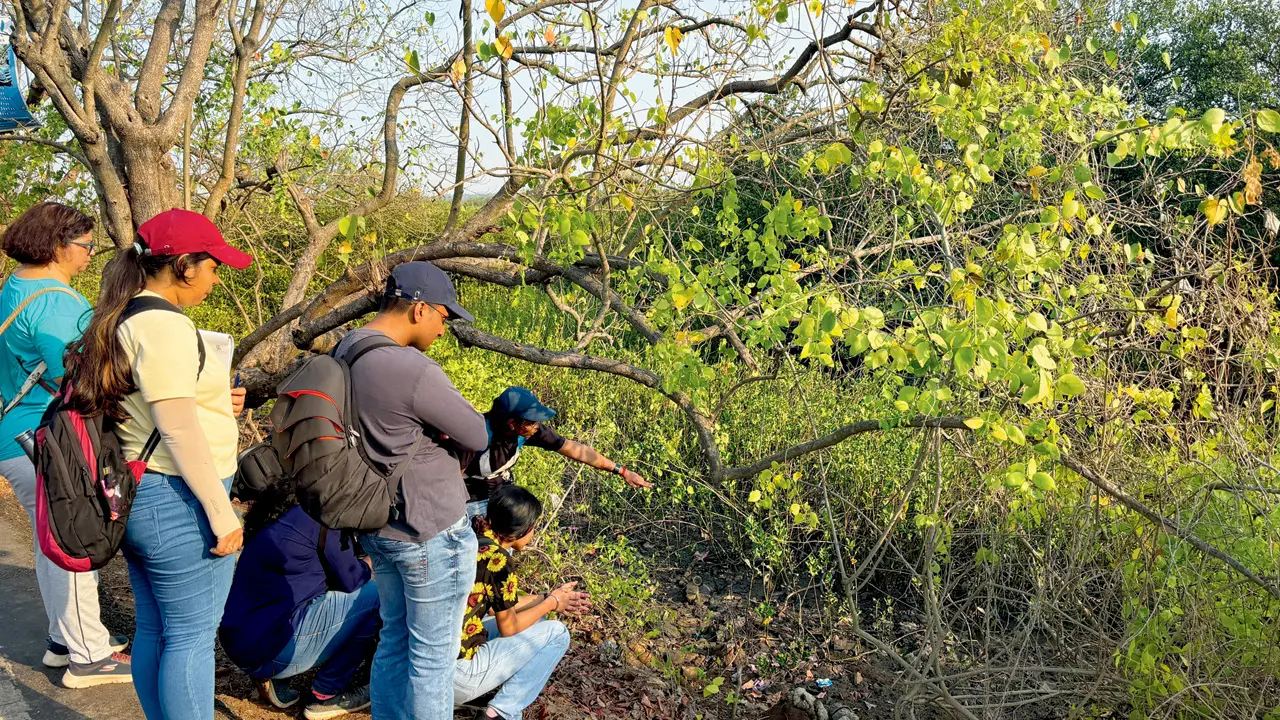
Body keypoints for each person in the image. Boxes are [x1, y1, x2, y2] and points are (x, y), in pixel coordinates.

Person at [62, 208, 252, 720]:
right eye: (213, 267)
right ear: (185, 266)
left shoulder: (122, 316)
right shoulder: (164, 325)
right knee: (190, 638)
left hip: (139, 494)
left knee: (156, 629)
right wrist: (221, 512)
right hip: (177, 499)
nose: (215, 279)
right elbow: (177, 428)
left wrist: (219, 401)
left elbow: (155, 405)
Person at [332, 261, 489, 720]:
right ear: (419, 309)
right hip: (429, 532)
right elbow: (477, 434)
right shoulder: (409, 366)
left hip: (378, 525)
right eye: (444, 315)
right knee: (432, 663)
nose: (445, 326)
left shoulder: (350, 348)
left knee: (395, 642)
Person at [0, 202, 131, 687]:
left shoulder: (15, 286)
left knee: (49, 540)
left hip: (17, 433)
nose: (89, 254)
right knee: (72, 538)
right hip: (49, 439)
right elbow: (76, 378)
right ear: (58, 246)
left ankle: (64, 640)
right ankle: (89, 656)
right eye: (85, 245)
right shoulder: (56, 302)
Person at [220, 477, 379, 720]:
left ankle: (274, 678)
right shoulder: (325, 520)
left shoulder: (284, 513)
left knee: (305, 592)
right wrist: (372, 563)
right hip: (271, 649)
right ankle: (326, 694)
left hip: (242, 642)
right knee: (376, 595)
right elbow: (351, 579)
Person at [454, 484, 590, 720]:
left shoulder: (475, 540)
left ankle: (491, 700)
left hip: (429, 660)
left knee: (540, 618)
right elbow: (509, 628)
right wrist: (552, 603)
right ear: (520, 530)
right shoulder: (498, 560)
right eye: (533, 528)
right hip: (455, 676)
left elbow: (506, 606)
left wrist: (546, 599)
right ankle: (500, 713)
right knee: (557, 632)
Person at [461, 386, 652, 519]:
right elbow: (451, 478)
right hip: (469, 500)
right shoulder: (477, 436)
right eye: (531, 421)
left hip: (500, 495)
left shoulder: (529, 432)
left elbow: (575, 450)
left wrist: (622, 471)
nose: (537, 426)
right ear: (512, 423)